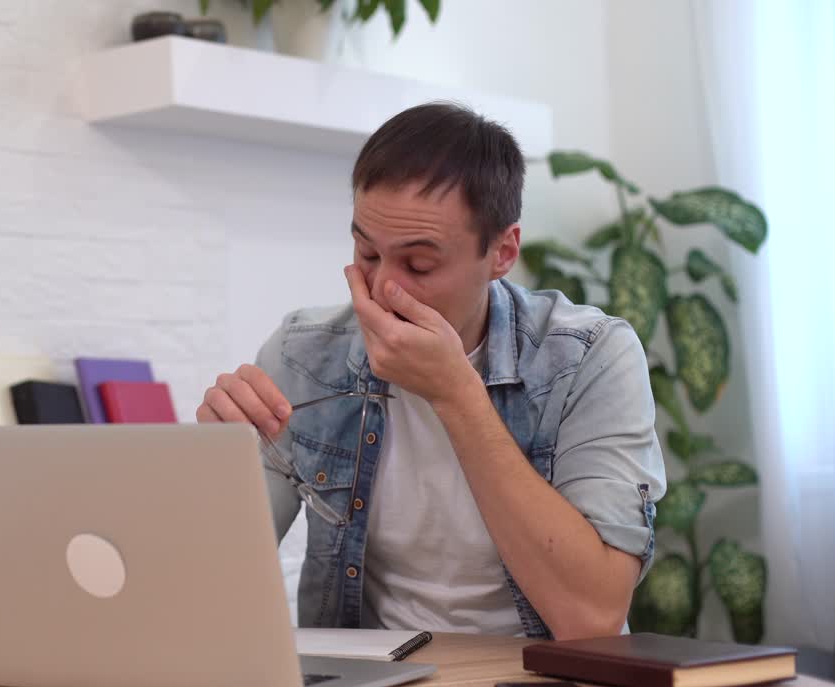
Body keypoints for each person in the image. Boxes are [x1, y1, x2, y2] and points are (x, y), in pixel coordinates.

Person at [195, 103, 667, 641]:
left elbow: (592, 618)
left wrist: (457, 396)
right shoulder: (304, 356)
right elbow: (206, 592)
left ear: (502, 251)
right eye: (367, 253)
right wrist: (215, 470)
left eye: (419, 265)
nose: (383, 289)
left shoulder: (590, 360)